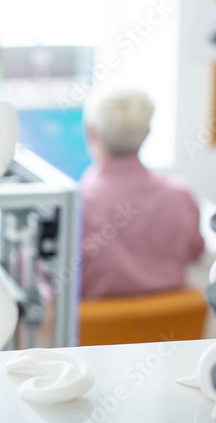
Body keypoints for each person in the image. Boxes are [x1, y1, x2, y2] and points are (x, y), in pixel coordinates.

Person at [79, 88, 204, 300]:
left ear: (91, 132)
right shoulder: (179, 195)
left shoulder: (80, 203)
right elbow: (196, 252)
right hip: (175, 330)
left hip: (101, 331)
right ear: (147, 133)